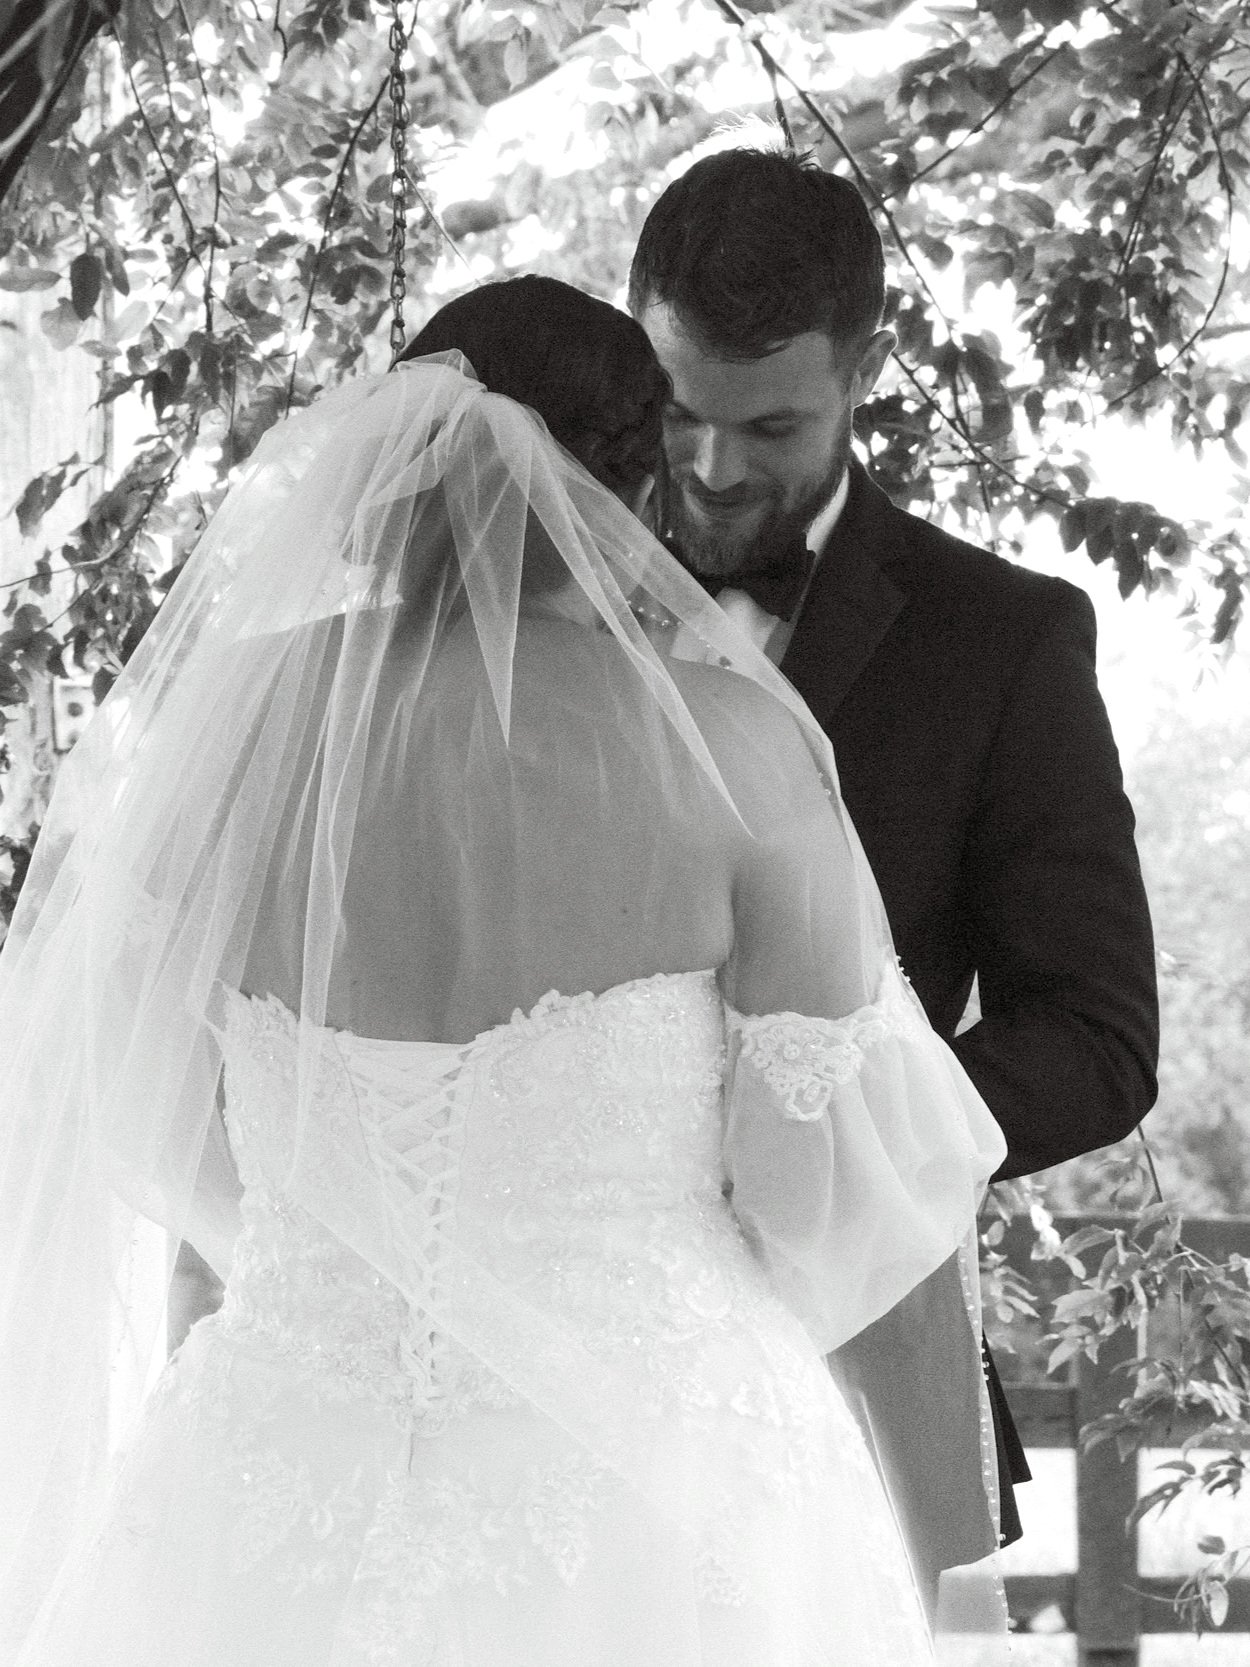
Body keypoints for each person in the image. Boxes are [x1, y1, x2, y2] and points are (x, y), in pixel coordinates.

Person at [0, 275, 1009, 1666]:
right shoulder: (736, 756)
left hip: (272, 1465)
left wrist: (338, 1276)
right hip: (656, 1485)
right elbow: (843, 1210)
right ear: (633, 491)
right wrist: (966, 1604)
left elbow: (148, 1111)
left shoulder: (232, 732)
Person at [629, 144, 1160, 1585]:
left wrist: (845, 1134)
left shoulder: (1002, 643)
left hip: (854, 1384)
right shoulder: (525, 597)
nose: (713, 467)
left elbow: (1097, 1040)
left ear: (864, 370)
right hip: (561, 1372)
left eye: (771, 424)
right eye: (678, 413)